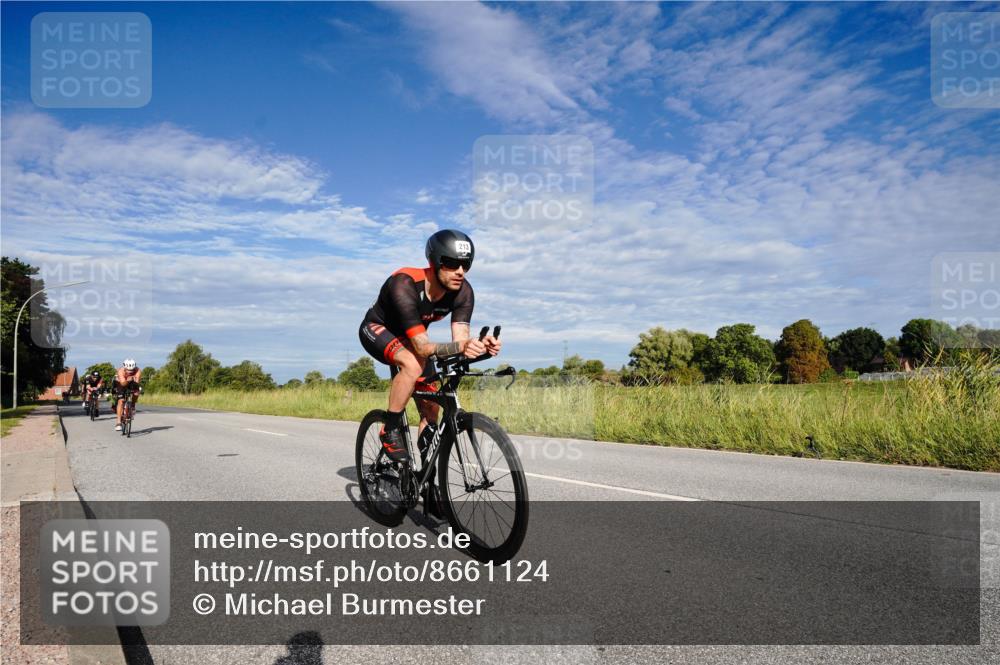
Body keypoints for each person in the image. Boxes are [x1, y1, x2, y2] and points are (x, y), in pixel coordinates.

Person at [359, 229, 501, 462]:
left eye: (466, 264)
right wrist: (462, 346)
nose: (460, 271)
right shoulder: (404, 283)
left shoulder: (463, 292)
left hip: (413, 339)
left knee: (431, 407)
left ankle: (427, 476)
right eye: (451, 263)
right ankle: (390, 428)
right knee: (412, 365)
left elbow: (459, 342)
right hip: (378, 330)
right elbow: (423, 348)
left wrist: (479, 346)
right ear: (434, 261)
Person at [112, 359, 142, 431]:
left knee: (136, 393)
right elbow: (123, 384)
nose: (130, 372)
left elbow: (136, 383)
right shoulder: (121, 371)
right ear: (125, 368)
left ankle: (132, 405)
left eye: (132, 370)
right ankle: (118, 422)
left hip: (132, 382)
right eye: (128, 370)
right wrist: (128, 380)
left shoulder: (138, 370)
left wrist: (133, 381)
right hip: (121, 383)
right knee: (121, 401)